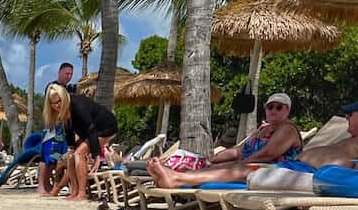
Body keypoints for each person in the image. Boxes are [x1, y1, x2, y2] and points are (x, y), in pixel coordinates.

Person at [147, 100, 358, 188]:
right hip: (301, 170)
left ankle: (176, 179)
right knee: (241, 168)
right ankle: (177, 177)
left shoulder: (288, 129)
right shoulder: (348, 140)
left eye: (351, 114)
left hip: (313, 176)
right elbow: (238, 151)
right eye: (270, 107)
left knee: (247, 170)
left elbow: (268, 153)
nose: (346, 117)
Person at [49, 83, 117, 201]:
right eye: (54, 103)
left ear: (64, 97)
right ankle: (74, 192)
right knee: (71, 156)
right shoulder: (62, 112)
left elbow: (91, 128)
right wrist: (71, 147)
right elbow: (69, 130)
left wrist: (96, 155)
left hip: (105, 127)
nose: (58, 105)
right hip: (90, 131)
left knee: (79, 153)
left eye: (59, 101)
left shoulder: (78, 105)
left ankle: (82, 193)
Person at [37, 83, 71, 196]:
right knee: (46, 157)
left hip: (60, 133)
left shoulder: (65, 94)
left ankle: (49, 185)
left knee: (54, 159)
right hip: (52, 131)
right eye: (67, 73)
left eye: (70, 73)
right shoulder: (53, 89)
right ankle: (42, 186)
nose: (69, 76)